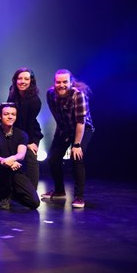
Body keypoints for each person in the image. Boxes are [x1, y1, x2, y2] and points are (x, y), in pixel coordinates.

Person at [41, 69, 94, 208]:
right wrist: (60, 134)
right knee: (53, 158)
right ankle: (59, 191)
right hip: (64, 128)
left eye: (65, 82)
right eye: (58, 82)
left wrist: (76, 145)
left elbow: (80, 122)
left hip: (83, 128)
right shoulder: (50, 94)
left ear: (71, 82)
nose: (61, 85)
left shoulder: (78, 95)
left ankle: (79, 197)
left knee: (77, 158)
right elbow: (57, 116)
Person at [0, 103, 40, 210]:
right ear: (0, 116)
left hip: (15, 170)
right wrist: (5, 161)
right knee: (4, 171)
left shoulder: (22, 134)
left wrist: (11, 159)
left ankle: (11, 194)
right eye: (6, 114)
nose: (10, 117)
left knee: (34, 202)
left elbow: (21, 155)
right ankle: (4, 195)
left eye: (13, 114)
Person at [7, 68, 43, 189]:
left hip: (30, 133)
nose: (22, 81)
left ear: (31, 81)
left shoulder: (34, 100)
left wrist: (28, 142)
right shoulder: (12, 93)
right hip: (15, 131)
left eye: (26, 79)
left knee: (30, 157)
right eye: (20, 78)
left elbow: (29, 123)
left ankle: (32, 192)